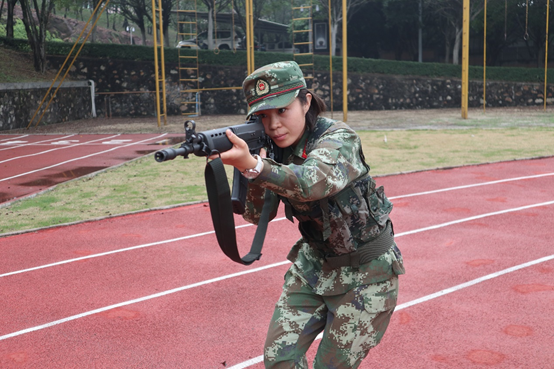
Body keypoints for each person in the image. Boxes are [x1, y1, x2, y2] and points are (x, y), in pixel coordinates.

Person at [215, 61, 405, 368]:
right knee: (279, 360)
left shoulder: (339, 138)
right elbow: (254, 214)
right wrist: (248, 168)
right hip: (314, 265)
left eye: (282, 111)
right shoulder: (274, 149)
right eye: (263, 116)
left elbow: (311, 182)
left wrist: (257, 167)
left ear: (306, 102)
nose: (274, 124)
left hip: (368, 274)